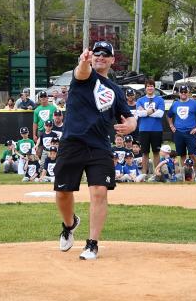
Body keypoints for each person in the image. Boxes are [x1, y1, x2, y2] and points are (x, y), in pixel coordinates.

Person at [54, 40, 135, 261]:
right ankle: (70, 224)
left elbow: (129, 116)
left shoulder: (116, 90)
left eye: (105, 54)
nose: (100, 57)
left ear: (112, 60)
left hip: (99, 145)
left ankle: (92, 243)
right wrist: (83, 61)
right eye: (96, 53)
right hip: (73, 142)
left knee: (99, 191)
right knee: (62, 193)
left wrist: (131, 125)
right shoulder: (84, 76)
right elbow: (81, 71)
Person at [167, 84, 196, 178]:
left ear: (188, 93)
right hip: (178, 132)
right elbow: (169, 116)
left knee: (192, 154)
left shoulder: (194, 103)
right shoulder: (175, 104)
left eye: (185, 92)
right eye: (182, 92)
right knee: (182, 155)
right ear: (179, 93)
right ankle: (186, 174)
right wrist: (171, 125)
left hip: (190, 132)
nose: (183, 93)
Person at [135, 79, 165, 176]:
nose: (150, 88)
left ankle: (157, 173)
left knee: (156, 152)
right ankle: (144, 174)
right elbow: (139, 113)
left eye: (152, 86)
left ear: (154, 88)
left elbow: (160, 114)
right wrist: (153, 110)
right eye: (148, 86)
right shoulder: (140, 100)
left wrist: (146, 112)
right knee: (145, 153)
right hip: (144, 129)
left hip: (156, 130)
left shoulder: (160, 100)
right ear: (145, 88)